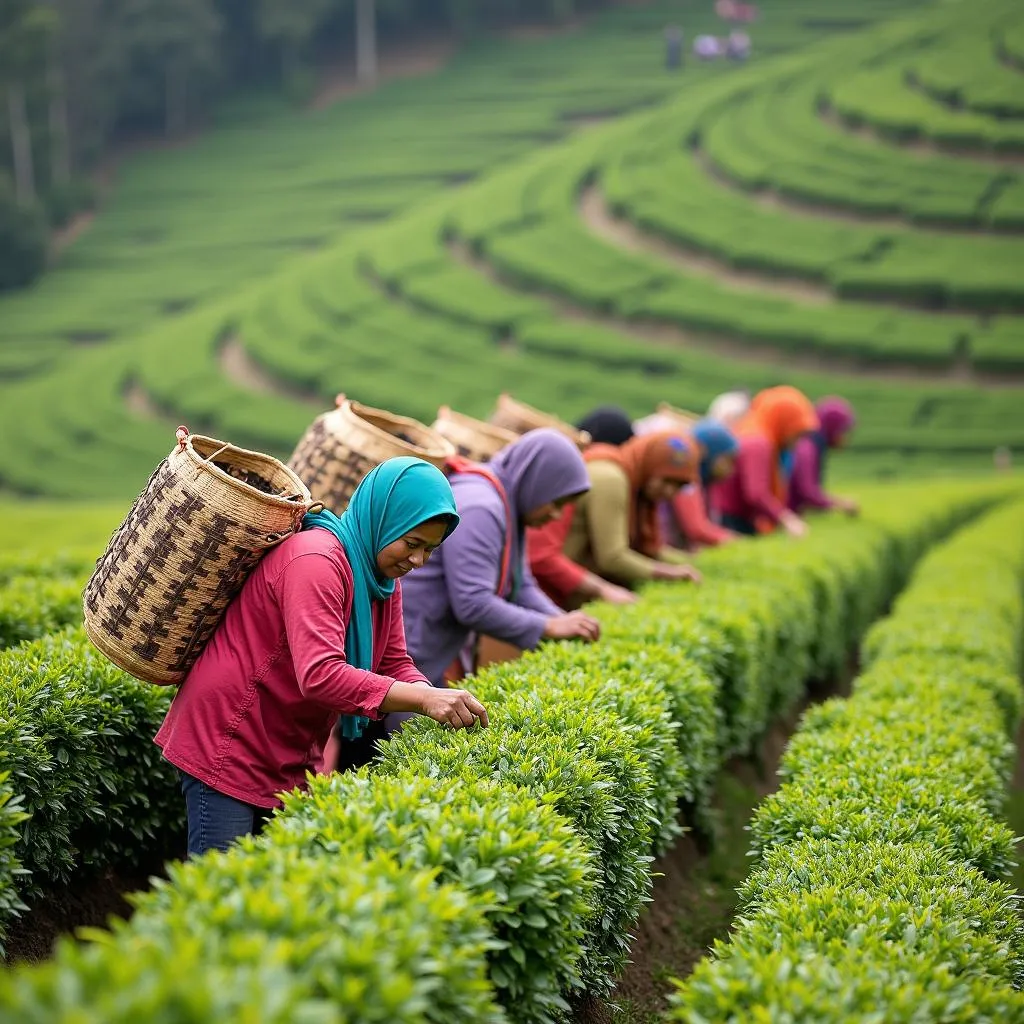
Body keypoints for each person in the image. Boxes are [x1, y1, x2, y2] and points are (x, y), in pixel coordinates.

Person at [154, 457, 487, 857]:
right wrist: (424, 699)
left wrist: (429, 693)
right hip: (230, 735)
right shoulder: (316, 561)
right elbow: (321, 674)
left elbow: (394, 661)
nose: (418, 561)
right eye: (412, 543)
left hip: (286, 745)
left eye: (430, 550)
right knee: (220, 885)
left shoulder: (380, 577)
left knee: (271, 886)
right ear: (384, 520)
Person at [400, 429, 602, 691]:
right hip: (409, 652)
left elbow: (521, 584)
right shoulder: (482, 507)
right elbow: (473, 603)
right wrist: (549, 626)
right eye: (556, 503)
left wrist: (565, 621)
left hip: (428, 651)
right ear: (536, 481)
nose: (556, 515)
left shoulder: (509, 504)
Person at [528, 431, 703, 608]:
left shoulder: (632, 482)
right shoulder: (611, 479)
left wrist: (693, 564)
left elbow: (648, 549)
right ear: (648, 464)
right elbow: (612, 557)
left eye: (680, 485)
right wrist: (671, 574)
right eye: (666, 481)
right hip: (548, 591)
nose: (670, 492)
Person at [712, 385, 819, 538]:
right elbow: (756, 493)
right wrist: (787, 520)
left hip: (729, 515)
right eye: (797, 434)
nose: (797, 443)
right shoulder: (758, 442)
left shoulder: (752, 429)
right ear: (784, 423)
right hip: (731, 519)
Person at [663, 418, 741, 550]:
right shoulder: (687, 482)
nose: (731, 468)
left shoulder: (705, 482)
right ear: (708, 454)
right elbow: (697, 529)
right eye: (727, 459)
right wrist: (737, 541)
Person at [789, 397, 859, 516]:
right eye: (842, 431)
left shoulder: (813, 445)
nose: (844, 438)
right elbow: (808, 492)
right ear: (832, 427)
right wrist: (841, 504)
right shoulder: (807, 449)